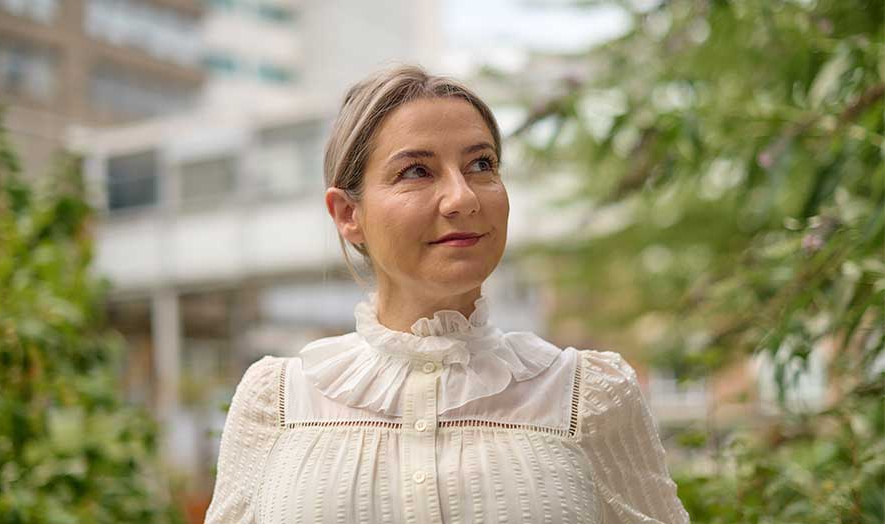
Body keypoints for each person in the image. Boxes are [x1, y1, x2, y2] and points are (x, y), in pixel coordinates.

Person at [204, 64, 690, 524]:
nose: (463, 197)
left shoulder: (590, 397)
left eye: (481, 164)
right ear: (348, 215)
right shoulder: (279, 402)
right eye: (416, 171)